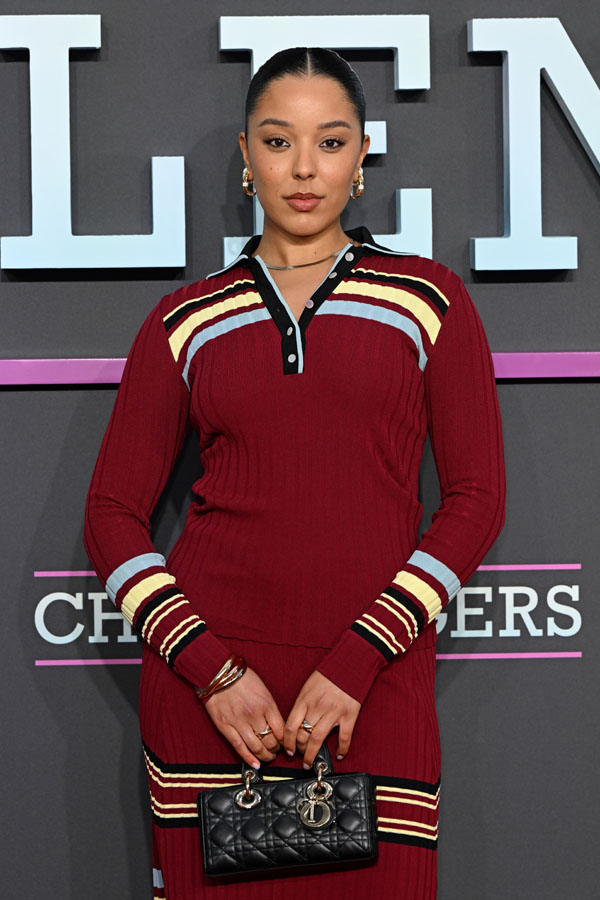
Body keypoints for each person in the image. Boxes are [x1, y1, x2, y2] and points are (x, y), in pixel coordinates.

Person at [83, 46, 506, 899]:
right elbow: (110, 515)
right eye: (279, 142)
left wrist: (359, 657)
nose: (304, 168)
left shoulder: (429, 300)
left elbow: (476, 502)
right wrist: (210, 669)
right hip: (211, 706)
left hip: (372, 691)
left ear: (361, 156)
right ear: (247, 155)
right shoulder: (184, 319)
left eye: (331, 141)